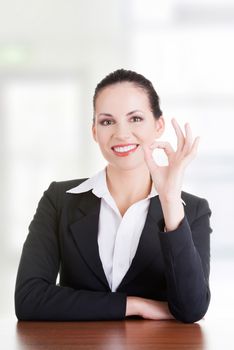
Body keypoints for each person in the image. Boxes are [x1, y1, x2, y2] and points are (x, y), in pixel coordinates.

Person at [15, 69, 212, 323]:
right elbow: (29, 299)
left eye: (136, 118)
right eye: (107, 121)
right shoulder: (59, 200)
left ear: (158, 125)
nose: (121, 134)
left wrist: (170, 200)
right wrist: (134, 305)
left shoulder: (191, 209)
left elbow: (191, 309)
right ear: (95, 131)